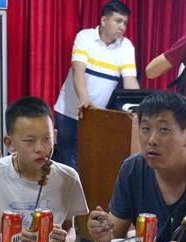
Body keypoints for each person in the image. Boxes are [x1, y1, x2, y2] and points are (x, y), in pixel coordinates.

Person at [87, 90, 186, 242]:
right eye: (146, 129)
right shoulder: (132, 169)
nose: (152, 140)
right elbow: (114, 235)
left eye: (164, 130)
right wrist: (103, 231)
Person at [0, 97, 89, 242]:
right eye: (29, 141)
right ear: (10, 143)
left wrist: (66, 240)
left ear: (55, 136)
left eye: (47, 139)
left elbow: (70, 228)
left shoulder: (68, 177)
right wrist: (12, 237)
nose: (40, 149)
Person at [52, 1, 140, 169]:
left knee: (91, 167)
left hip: (97, 117)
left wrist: (138, 107)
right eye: (118, 21)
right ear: (104, 21)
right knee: (69, 167)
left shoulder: (126, 46)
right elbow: (78, 70)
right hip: (70, 113)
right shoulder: (85, 37)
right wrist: (85, 100)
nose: (122, 27)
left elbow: (130, 80)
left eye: (125, 23)